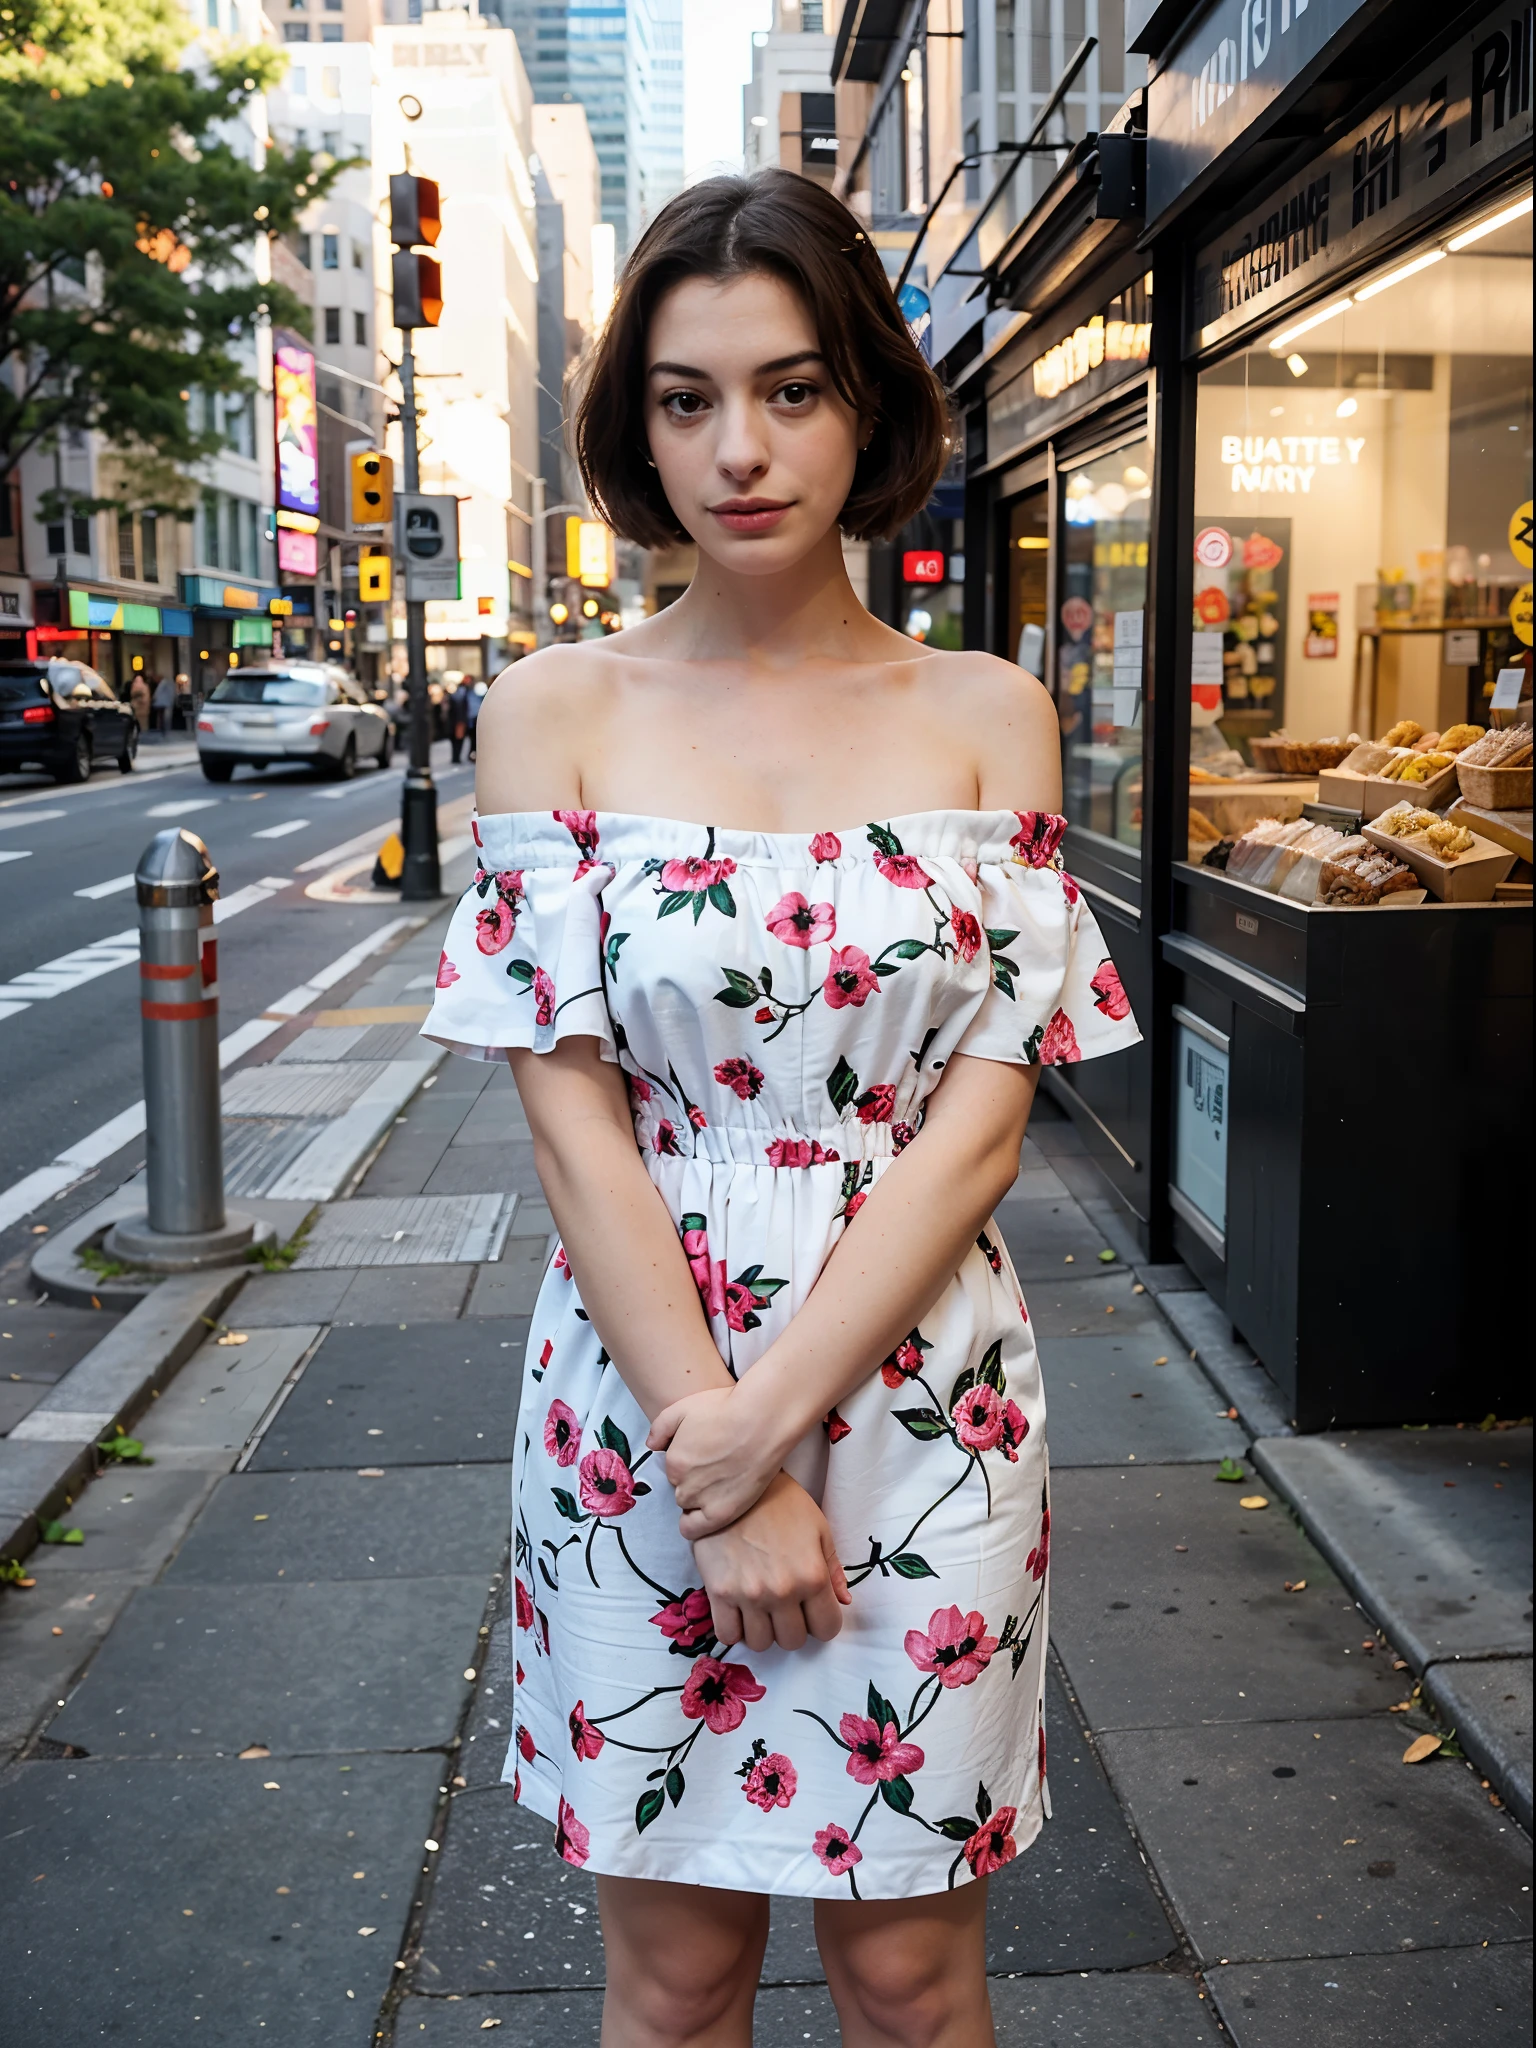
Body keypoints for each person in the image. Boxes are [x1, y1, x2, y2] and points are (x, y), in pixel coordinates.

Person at [423, 170, 1139, 2048]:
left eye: (793, 388)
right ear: (631, 425)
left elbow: (981, 1124)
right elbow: (571, 1117)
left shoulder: (989, 707)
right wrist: (709, 1452)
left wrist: (773, 1432)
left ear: (872, 405)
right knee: (674, 1976)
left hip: (921, 1391)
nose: (739, 447)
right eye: (684, 397)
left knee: (910, 1968)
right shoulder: (548, 709)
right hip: (641, 1393)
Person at [448, 673, 473, 764]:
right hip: (459, 719)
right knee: (457, 739)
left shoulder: (465, 692)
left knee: (458, 740)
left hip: (458, 719)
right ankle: (456, 757)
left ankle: (456, 757)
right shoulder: (461, 692)